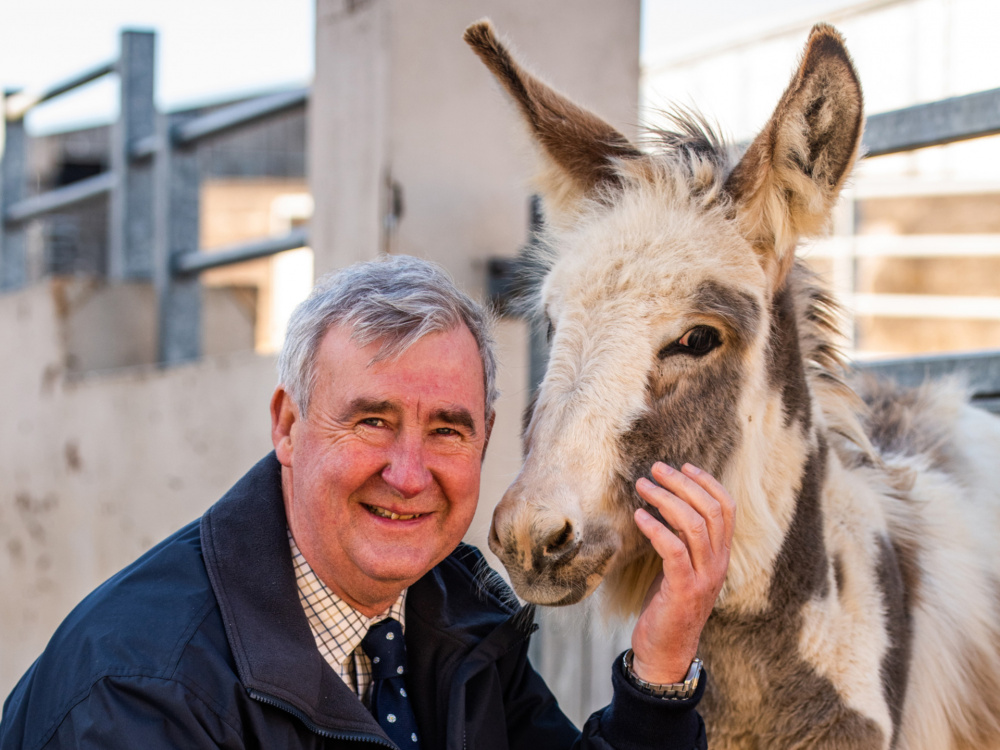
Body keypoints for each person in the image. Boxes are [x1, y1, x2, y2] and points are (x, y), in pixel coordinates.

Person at [0, 255, 734, 749]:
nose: (409, 474)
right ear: (289, 427)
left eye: (447, 429)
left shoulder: (457, 610)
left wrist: (661, 661)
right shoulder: (141, 689)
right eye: (372, 421)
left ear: (484, 445)